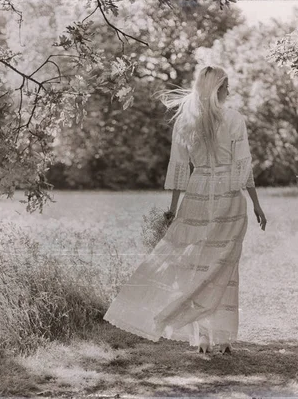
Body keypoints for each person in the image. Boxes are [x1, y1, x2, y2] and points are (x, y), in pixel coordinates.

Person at [103, 65, 267, 354]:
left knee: (198, 264)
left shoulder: (185, 122)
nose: (229, 91)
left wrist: (173, 209)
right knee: (223, 266)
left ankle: (205, 334)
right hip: (229, 196)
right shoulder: (234, 119)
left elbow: (179, 169)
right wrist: (255, 203)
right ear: (218, 89)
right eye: (226, 86)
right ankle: (219, 335)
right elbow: (243, 167)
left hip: (198, 193)